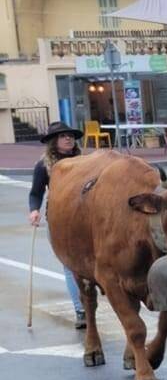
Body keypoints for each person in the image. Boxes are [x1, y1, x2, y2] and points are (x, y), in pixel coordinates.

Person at [27, 122, 87, 328]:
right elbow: (36, 193)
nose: (68, 139)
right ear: (54, 141)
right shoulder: (44, 165)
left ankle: (91, 303)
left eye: (70, 135)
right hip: (59, 220)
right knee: (70, 267)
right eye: (63, 136)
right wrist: (34, 210)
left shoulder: (85, 162)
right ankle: (81, 311)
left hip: (86, 218)